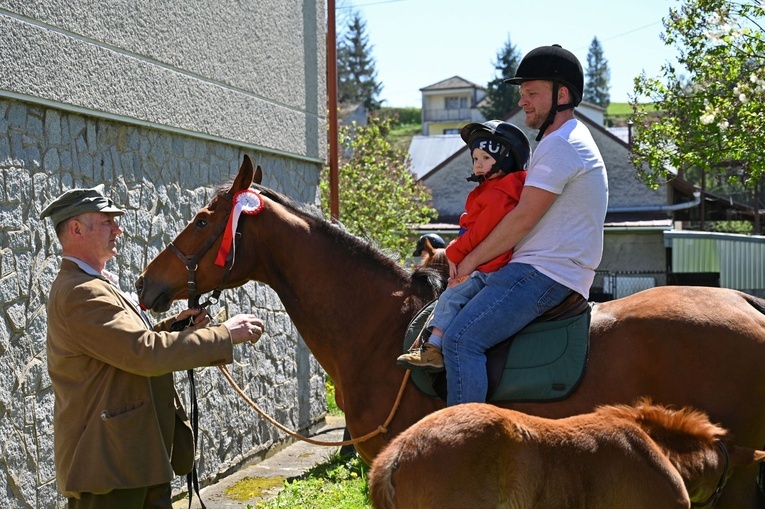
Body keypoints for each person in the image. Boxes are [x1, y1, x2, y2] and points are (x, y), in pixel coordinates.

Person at [41, 184, 266, 509]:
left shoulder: (95, 283)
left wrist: (175, 327)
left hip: (133, 458)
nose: (118, 228)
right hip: (109, 469)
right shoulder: (81, 291)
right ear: (76, 229)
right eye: (106, 221)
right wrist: (225, 336)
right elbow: (144, 353)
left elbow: (122, 349)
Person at [440, 44, 609, 407]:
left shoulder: (562, 144)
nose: (523, 102)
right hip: (548, 268)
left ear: (561, 95)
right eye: (521, 94)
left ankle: (464, 448)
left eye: (532, 93)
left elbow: (522, 219)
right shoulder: (563, 140)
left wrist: (467, 263)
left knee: (460, 340)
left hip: (542, 271)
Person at [397, 120, 530, 372]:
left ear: (506, 160)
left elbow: (481, 232)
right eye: (475, 158)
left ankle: (433, 349)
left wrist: (454, 252)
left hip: (487, 266)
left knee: (450, 298)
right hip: (481, 261)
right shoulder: (490, 190)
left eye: (486, 157)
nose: (478, 163)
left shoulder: (499, 195)